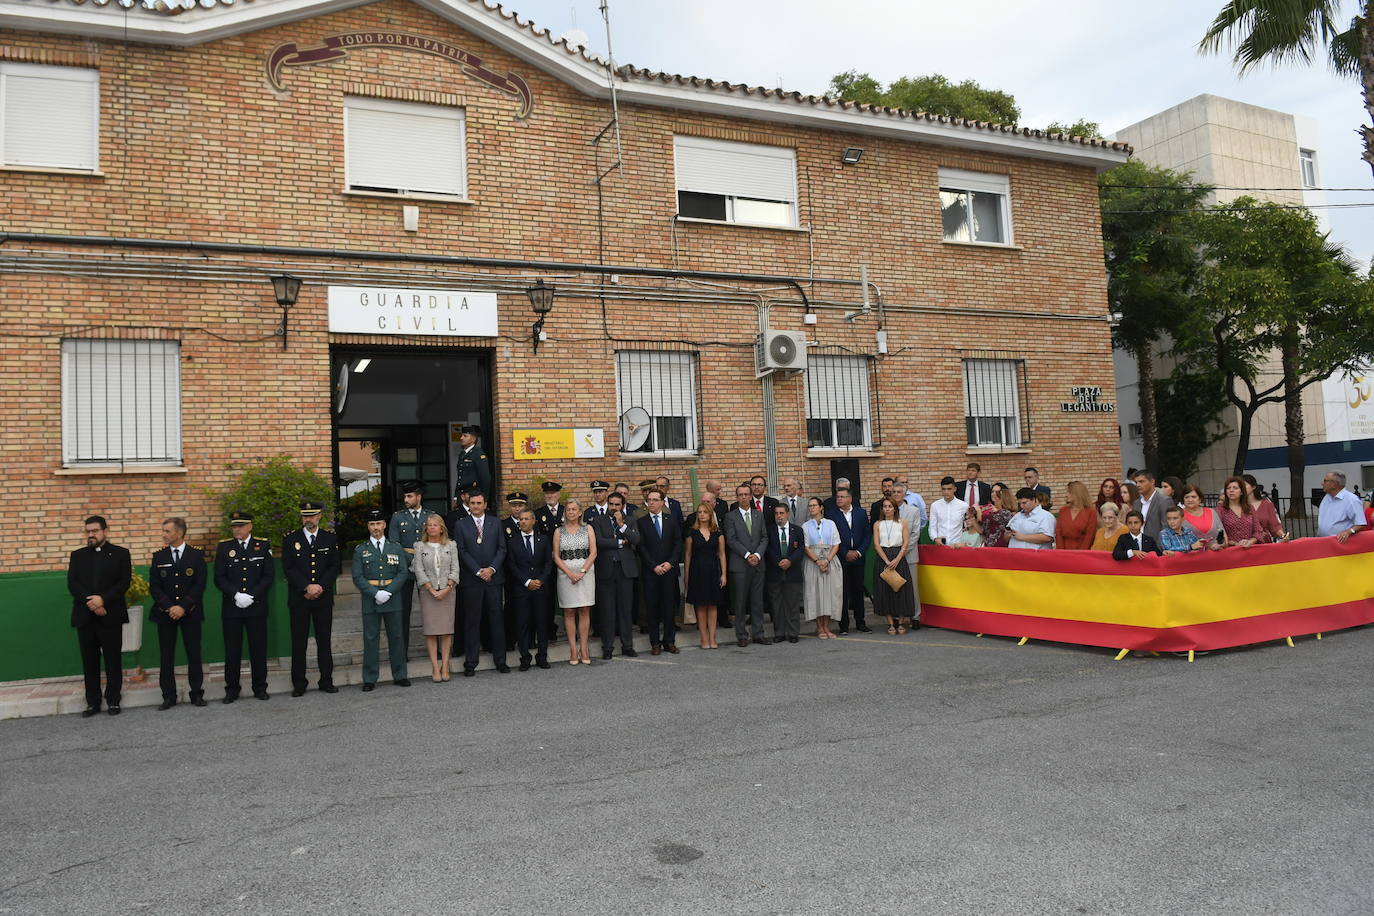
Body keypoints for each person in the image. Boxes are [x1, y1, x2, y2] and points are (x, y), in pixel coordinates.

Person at [67, 515, 131, 717]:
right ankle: (92, 702)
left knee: (113, 660)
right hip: (85, 617)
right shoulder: (77, 555)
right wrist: (93, 603)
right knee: (89, 661)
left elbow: (123, 583)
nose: (91, 534)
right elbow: (73, 584)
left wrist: (103, 600)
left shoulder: (121, 554)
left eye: (94, 530)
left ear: (105, 531)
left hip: (110, 615)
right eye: (88, 531)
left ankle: (113, 700)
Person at [214, 510, 275, 703]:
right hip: (232, 607)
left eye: (240, 525)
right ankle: (232, 689)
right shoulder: (224, 548)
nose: (236, 529)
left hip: (255, 606)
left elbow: (268, 576)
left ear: (250, 526)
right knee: (232, 651)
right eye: (234, 526)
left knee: (258, 649)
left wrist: (252, 595)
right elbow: (219, 577)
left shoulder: (263, 546)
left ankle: (260, 687)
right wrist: (236, 594)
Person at [282, 501, 341, 697]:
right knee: (299, 642)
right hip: (300, 599)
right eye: (305, 516)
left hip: (323, 599)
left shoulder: (329, 539)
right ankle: (299, 683)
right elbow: (289, 568)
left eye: (312, 515)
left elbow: (334, 566)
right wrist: (306, 587)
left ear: (319, 517)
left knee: (324, 641)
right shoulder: (291, 539)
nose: (308, 519)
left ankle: (326, 680)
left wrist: (320, 586)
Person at [149, 516, 207, 710]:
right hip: (165, 614)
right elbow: (155, 587)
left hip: (190, 612)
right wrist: (169, 607)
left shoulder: (196, 556)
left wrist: (183, 607)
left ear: (179, 533)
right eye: (163, 531)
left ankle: (196, 693)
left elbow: (199, 586)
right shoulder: (159, 556)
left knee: (194, 654)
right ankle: (168, 695)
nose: (163, 535)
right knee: (166, 655)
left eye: (167, 531)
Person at [351, 508, 411, 690]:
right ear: (367, 526)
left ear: (384, 525)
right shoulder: (361, 550)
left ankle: (400, 674)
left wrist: (389, 591)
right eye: (372, 524)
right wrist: (375, 593)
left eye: (378, 523)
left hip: (393, 598)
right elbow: (357, 576)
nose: (375, 527)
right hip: (371, 599)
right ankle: (369, 678)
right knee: (370, 639)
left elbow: (402, 572)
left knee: (397, 637)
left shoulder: (395, 547)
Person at [453, 492, 509, 676]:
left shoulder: (496, 523)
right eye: (473, 503)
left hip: (493, 579)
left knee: (497, 620)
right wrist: (478, 571)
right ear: (469, 505)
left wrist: (491, 569)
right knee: (472, 621)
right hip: (472, 580)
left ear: (485, 504)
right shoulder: (461, 525)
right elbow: (461, 551)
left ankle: (500, 661)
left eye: (479, 503)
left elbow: (502, 548)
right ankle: (471, 662)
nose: (476, 506)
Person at [589, 491, 641, 659]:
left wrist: (622, 525)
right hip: (606, 570)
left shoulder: (630, 520)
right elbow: (598, 541)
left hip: (625, 570)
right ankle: (608, 647)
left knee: (626, 610)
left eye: (617, 504)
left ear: (622, 506)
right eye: (611, 504)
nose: (613, 507)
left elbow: (636, 540)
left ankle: (627, 646)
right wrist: (620, 542)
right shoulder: (598, 520)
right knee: (607, 611)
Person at [411, 514, 460, 682]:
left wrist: (447, 588)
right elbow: (418, 570)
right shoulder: (419, 546)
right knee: (431, 632)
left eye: (435, 525)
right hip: (428, 593)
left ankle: (445, 665)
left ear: (441, 528)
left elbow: (455, 569)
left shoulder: (451, 545)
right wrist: (430, 589)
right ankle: (434, 666)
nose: (431, 527)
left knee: (446, 631)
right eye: (429, 525)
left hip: (448, 592)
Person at [505, 508, 554, 671]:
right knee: (522, 624)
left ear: (534, 521)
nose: (523, 522)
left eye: (526, 519)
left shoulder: (543, 539)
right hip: (522, 589)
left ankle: (542, 657)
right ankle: (525, 657)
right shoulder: (512, 541)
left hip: (540, 588)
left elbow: (548, 562)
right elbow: (511, 564)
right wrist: (526, 581)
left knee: (542, 623)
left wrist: (540, 580)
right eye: (521, 519)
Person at [638, 488, 683, 654]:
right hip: (651, 572)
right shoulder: (641, 522)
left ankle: (669, 641)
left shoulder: (671, 520)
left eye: (655, 500)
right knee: (652, 607)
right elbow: (641, 547)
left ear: (662, 503)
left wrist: (670, 563)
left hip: (669, 571)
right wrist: (653, 566)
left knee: (669, 607)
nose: (651, 502)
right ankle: (655, 643)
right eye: (649, 500)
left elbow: (678, 544)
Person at [724, 483, 768, 646]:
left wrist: (757, 555)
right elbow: (731, 540)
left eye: (746, 494)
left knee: (757, 601)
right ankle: (742, 635)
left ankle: (758, 634)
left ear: (751, 496)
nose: (743, 497)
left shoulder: (759, 515)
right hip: (740, 565)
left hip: (758, 564)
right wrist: (747, 555)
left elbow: (764, 537)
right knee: (740, 602)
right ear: (737, 498)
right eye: (740, 495)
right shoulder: (731, 516)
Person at [554, 499, 597, 665]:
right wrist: (569, 573)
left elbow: (593, 553)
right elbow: (556, 555)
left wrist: (582, 572)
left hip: (585, 572)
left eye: (574, 509)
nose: (570, 512)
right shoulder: (559, 531)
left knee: (584, 609)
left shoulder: (588, 528)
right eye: (568, 510)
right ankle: (573, 649)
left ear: (580, 512)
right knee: (569, 611)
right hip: (565, 574)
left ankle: (584, 648)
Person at [388, 479, 431, 647]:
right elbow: (394, 544)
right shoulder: (397, 517)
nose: (406, 500)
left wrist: (421, 561)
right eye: (405, 496)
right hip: (404, 570)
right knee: (403, 611)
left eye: (409, 496)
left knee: (430, 611)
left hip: (427, 570)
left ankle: (434, 649)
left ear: (418, 497)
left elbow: (435, 542)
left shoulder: (430, 515)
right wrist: (412, 560)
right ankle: (402, 650)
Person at [827, 487, 871, 634]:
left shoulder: (861, 513)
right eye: (837, 497)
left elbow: (867, 535)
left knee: (858, 591)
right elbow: (832, 538)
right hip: (841, 559)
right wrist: (845, 552)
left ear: (850, 499)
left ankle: (861, 623)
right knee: (843, 592)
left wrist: (858, 552)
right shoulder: (831, 515)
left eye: (842, 497)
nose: (839, 499)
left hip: (858, 559)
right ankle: (843, 626)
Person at [684, 500, 727, 649]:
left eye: (705, 512)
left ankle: (713, 638)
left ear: (710, 515)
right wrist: (687, 576)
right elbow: (688, 555)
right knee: (701, 606)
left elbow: (722, 554)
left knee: (713, 605)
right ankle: (703, 638)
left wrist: (724, 574)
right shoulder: (691, 532)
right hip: (697, 571)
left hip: (714, 571)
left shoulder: (718, 533)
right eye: (700, 512)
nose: (702, 515)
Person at [872, 498, 916, 632]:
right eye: (885, 506)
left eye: (890, 506)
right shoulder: (877, 524)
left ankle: (901, 623)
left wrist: (897, 559)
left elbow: (906, 543)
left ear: (895, 508)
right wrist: (886, 561)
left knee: (901, 589)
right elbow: (876, 544)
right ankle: (891, 623)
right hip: (883, 558)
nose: (887, 509)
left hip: (899, 557)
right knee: (884, 591)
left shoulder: (903, 523)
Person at [763, 503, 804, 644]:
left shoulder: (797, 530)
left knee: (792, 604)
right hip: (775, 572)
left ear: (787, 514)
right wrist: (778, 561)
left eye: (781, 513)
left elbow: (801, 548)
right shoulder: (769, 530)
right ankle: (779, 633)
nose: (778, 516)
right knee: (776, 604)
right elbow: (767, 548)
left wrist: (790, 561)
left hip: (793, 572)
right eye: (776, 513)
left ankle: (793, 632)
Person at [802, 497, 843, 638]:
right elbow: (806, 547)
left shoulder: (831, 524)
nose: (812, 508)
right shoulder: (805, 526)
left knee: (828, 594)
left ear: (821, 507)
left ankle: (827, 626)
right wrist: (818, 561)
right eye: (810, 506)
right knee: (815, 594)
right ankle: (819, 627)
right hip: (813, 561)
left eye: (814, 505)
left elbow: (836, 543)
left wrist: (827, 560)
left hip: (830, 559)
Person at [1216, 476, 1266, 548]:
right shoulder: (1220, 510)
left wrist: (1250, 541)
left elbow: (1258, 531)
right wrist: (1234, 543)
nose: (1231, 490)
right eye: (1228, 488)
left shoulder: (1250, 508)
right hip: (1230, 552)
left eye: (1235, 488)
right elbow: (1217, 533)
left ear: (1242, 492)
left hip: (1250, 550)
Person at [1316, 471, 1366, 541]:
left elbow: (1361, 523)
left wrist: (1348, 532)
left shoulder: (1352, 500)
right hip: (1323, 541)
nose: (1322, 483)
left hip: (1340, 543)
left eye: (1325, 481)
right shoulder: (1326, 497)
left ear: (1334, 484)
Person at [451, 424, 491, 505]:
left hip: (474, 496)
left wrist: (484, 498)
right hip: (462, 496)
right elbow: (460, 478)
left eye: (465, 436)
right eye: (462, 435)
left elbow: (485, 478)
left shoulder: (478, 454)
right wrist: (455, 497)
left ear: (473, 438)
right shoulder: (462, 454)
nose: (461, 438)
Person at [1243, 474, 1285, 542]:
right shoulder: (1237, 505)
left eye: (1244, 485)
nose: (1242, 488)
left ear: (1253, 486)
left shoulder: (1266, 504)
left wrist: (1283, 536)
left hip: (1263, 543)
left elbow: (1275, 526)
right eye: (1239, 486)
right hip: (1243, 543)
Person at [1055, 481, 1097, 550]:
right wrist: (1061, 551)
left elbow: (1089, 536)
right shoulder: (1063, 511)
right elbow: (1058, 533)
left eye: (1069, 492)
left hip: (1082, 552)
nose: (1066, 495)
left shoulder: (1090, 512)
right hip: (1063, 551)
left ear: (1077, 494)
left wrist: (1080, 553)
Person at [1130, 471, 1170, 541]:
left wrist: (1160, 547)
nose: (1138, 485)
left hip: (1157, 547)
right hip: (1138, 546)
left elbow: (1166, 527)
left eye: (1141, 481)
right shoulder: (1136, 503)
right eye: (1136, 482)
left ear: (1152, 482)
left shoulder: (1164, 501)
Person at [929, 476, 968, 545]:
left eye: (949, 489)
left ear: (955, 489)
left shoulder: (964, 506)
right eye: (944, 489)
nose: (946, 492)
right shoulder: (935, 505)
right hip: (940, 545)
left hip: (958, 545)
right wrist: (935, 538)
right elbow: (932, 526)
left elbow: (967, 526)